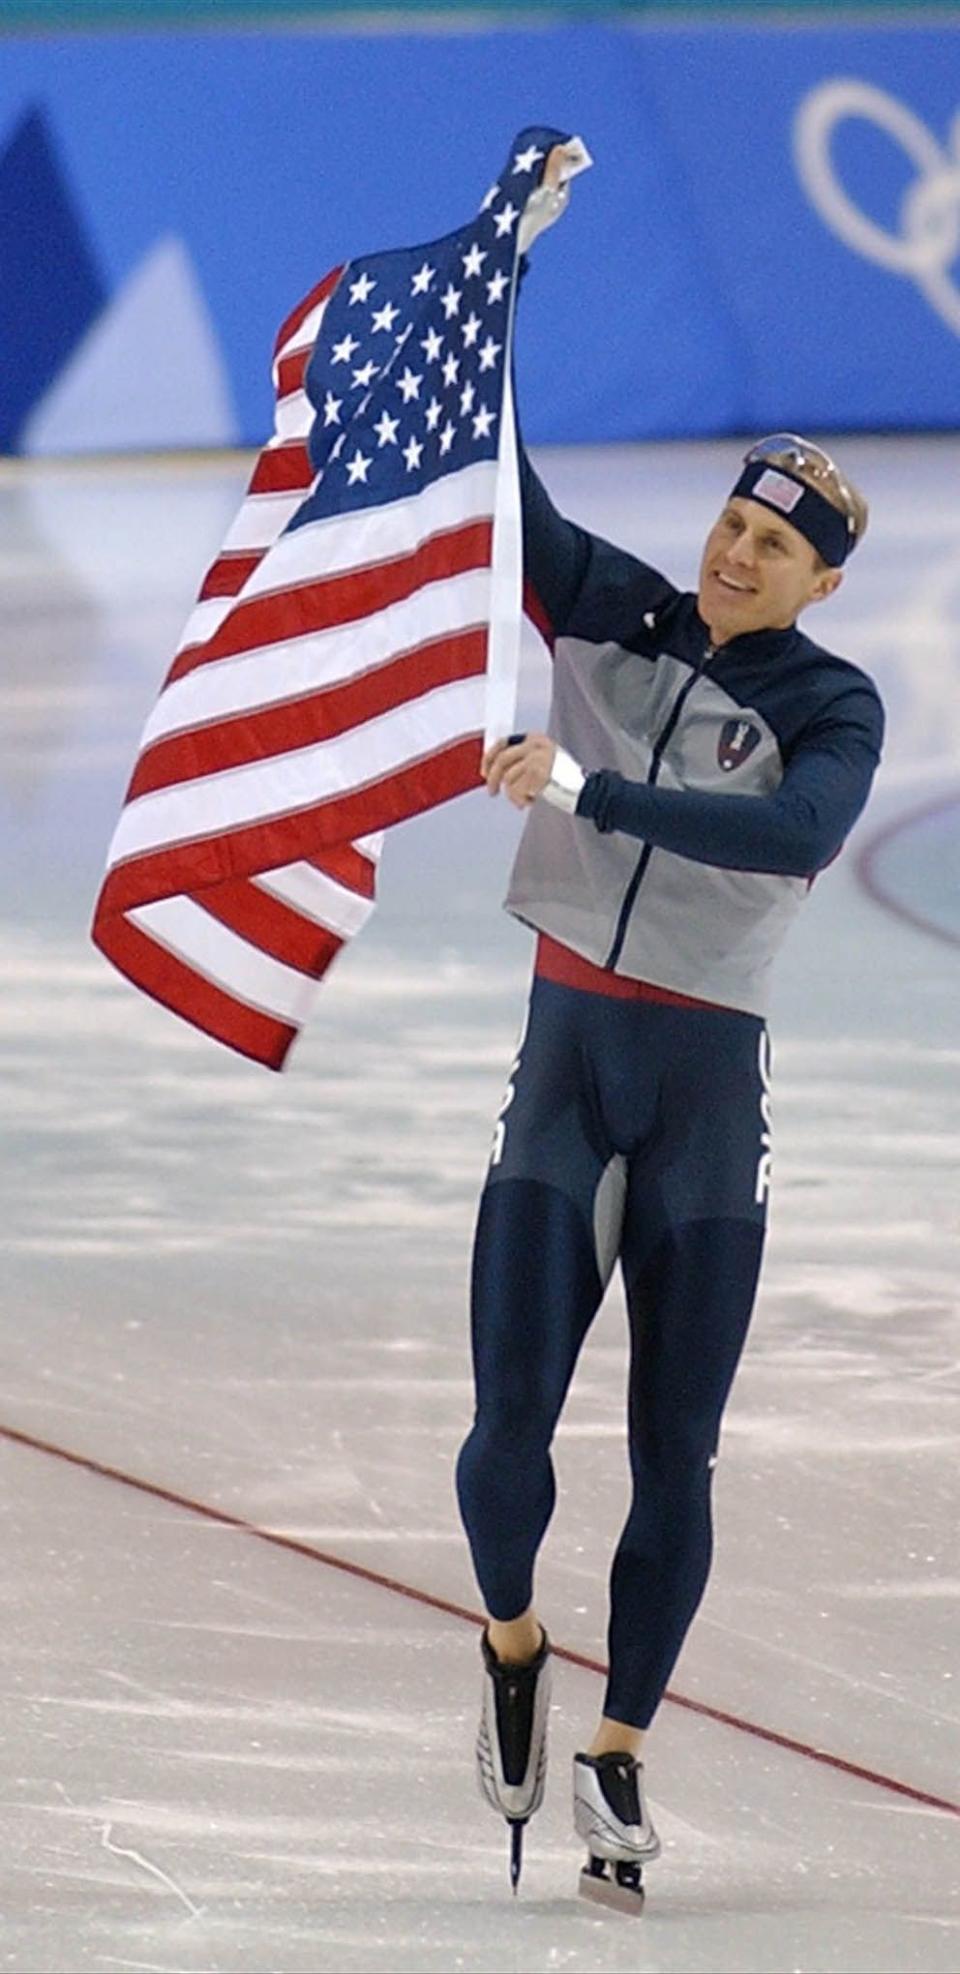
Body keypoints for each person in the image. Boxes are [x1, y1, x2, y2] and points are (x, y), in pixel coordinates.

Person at [454, 198, 883, 1906]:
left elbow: (792, 840)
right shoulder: (613, 612)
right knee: (504, 1425)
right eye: (730, 525)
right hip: (567, 1059)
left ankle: (622, 1747)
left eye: (772, 551)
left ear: (822, 582)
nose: (733, 557)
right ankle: (509, 1643)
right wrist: (498, 275)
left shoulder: (833, 704)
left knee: (671, 1454)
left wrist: (587, 789)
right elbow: (502, 495)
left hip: (708, 1096)